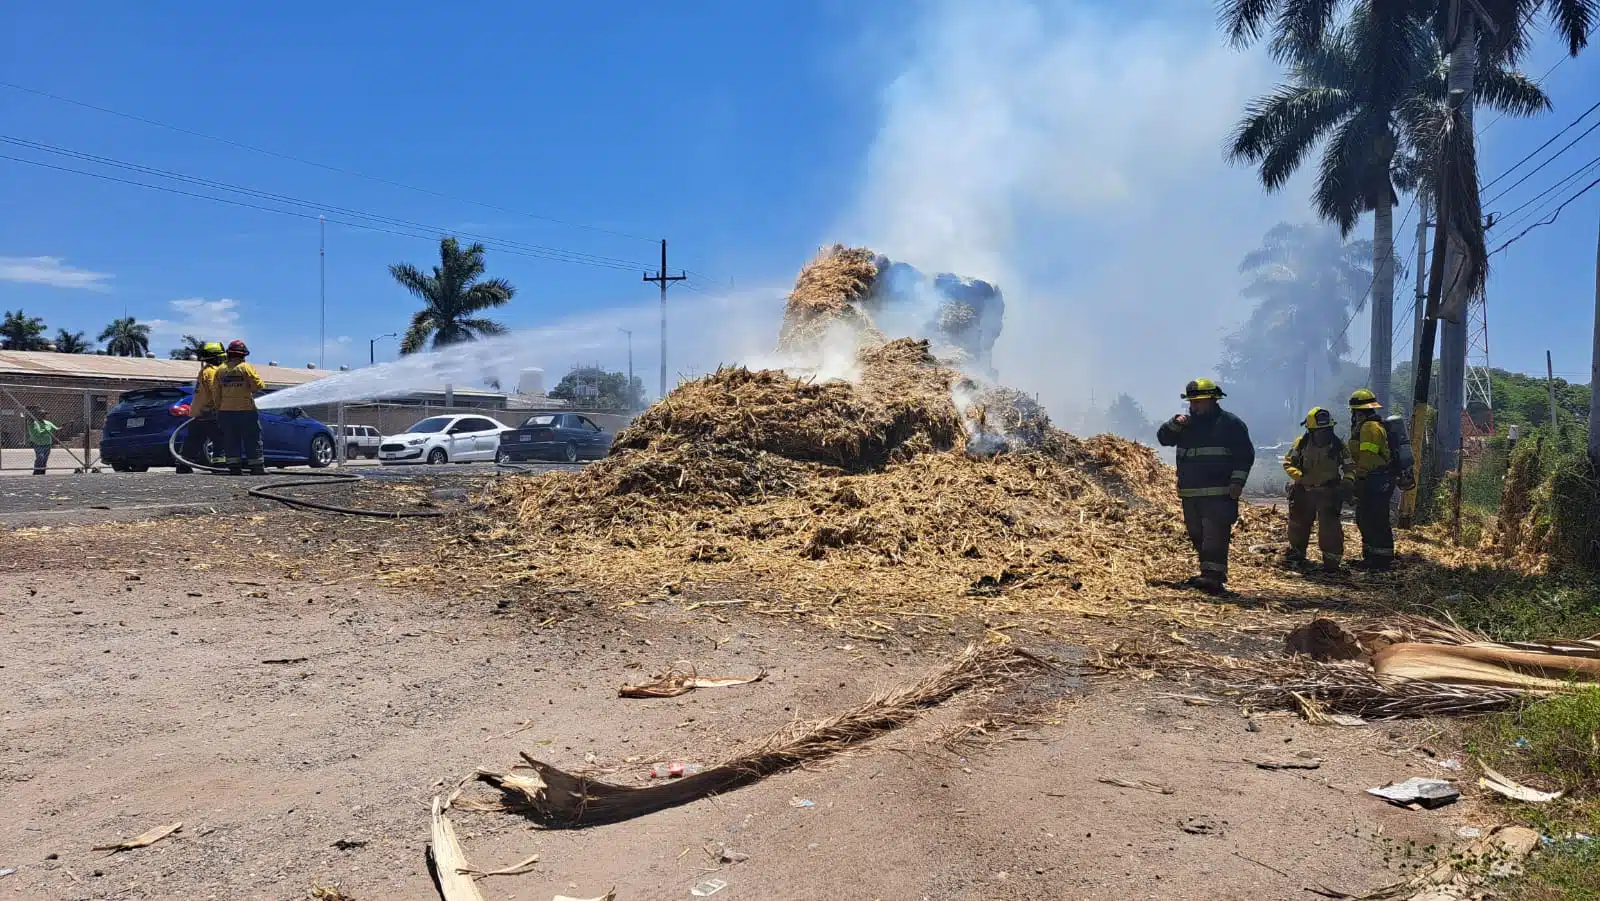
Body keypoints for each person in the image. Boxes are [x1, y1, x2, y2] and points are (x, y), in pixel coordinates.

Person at [1157, 378, 1255, 594]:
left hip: (1219, 492)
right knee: (1197, 534)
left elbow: (1245, 456)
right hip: (1190, 493)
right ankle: (1209, 572)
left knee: (1215, 534)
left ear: (1213, 400)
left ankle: (1213, 579)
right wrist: (1174, 423)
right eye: (1192, 402)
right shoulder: (1186, 424)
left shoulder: (1230, 424)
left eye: (1199, 402)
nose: (1194, 406)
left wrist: (1237, 482)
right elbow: (1163, 438)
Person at [1282, 407, 1347, 573]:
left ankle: (1332, 563)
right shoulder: (1301, 443)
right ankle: (1297, 556)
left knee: (1330, 527)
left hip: (1328, 491)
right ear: (1310, 431)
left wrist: (1349, 482)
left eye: (1326, 431)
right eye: (1319, 431)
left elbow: (1350, 466)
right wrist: (1299, 477)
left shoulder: (1338, 446)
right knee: (1298, 524)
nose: (1323, 435)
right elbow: (1288, 463)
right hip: (1304, 491)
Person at [1345, 388, 1394, 571]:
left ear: (1358, 411)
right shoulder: (1368, 426)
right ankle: (1371, 556)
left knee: (1375, 518)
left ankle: (1381, 561)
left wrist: (1360, 477)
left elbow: (1368, 456)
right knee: (1365, 517)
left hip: (1376, 478)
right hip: (1375, 477)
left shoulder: (1370, 427)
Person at [212, 340, 268, 475]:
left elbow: (216, 392)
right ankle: (256, 467)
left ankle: (234, 468)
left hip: (226, 411)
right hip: (246, 410)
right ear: (243, 354)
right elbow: (257, 386)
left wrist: (218, 409)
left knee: (230, 439)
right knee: (252, 438)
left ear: (229, 354)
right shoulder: (245, 367)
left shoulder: (220, 370)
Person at [177, 341, 227, 473]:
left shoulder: (204, 371)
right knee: (219, 438)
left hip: (199, 411)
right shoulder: (213, 372)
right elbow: (215, 391)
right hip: (210, 412)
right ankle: (219, 466)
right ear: (215, 357)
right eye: (221, 357)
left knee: (194, 440)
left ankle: (183, 465)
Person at [25, 405, 60, 475]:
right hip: (38, 444)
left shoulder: (47, 423)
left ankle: (42, 472)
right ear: (37, 416)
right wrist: (48, 431)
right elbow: (37, 433)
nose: (44, 416)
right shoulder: (33, 423)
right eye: (42, 415)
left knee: (44, 459)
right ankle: (37, 472)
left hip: (47, 444)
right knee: (40, 458)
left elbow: (56, 429)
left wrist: (64, 426)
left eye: (44, 415)